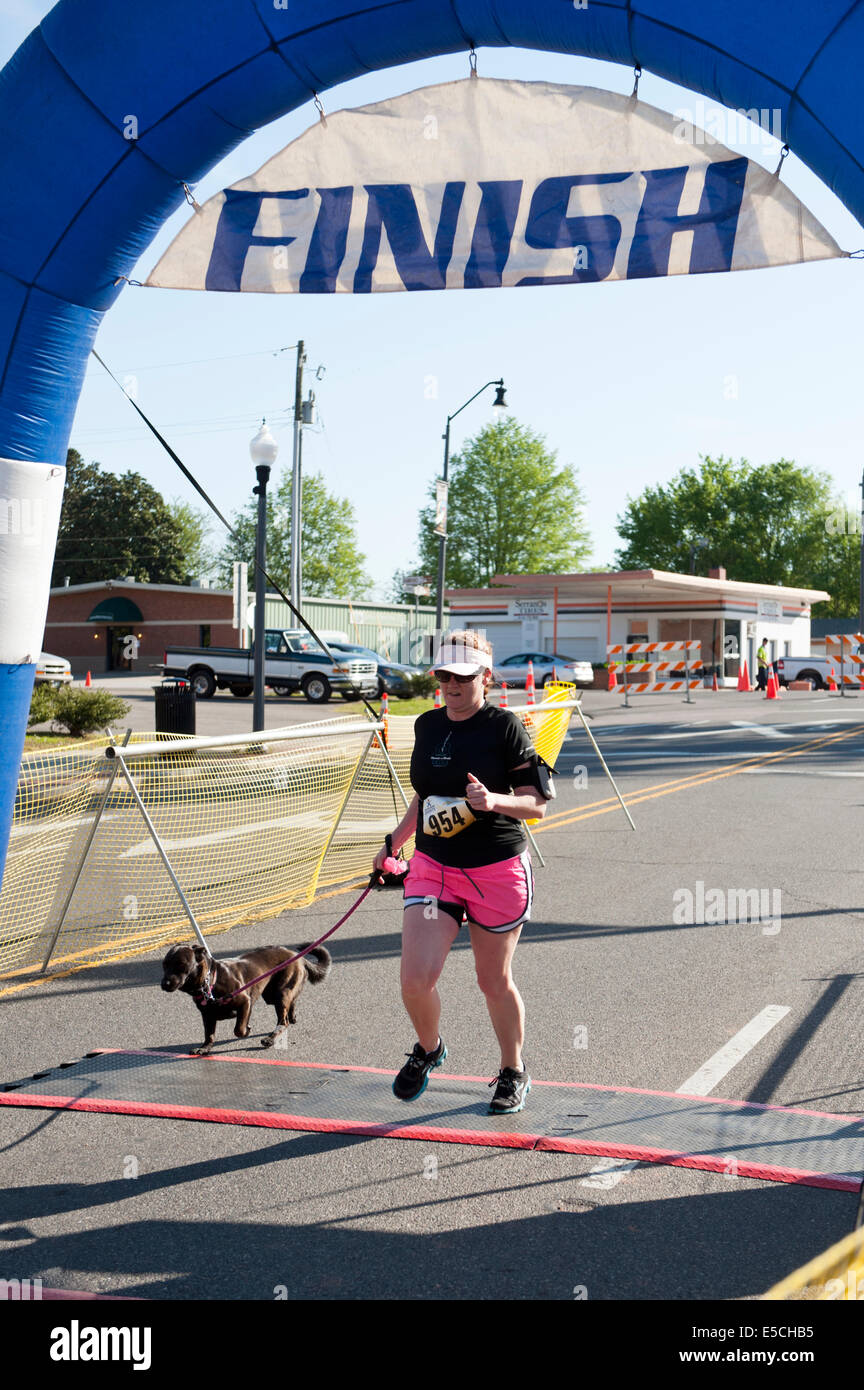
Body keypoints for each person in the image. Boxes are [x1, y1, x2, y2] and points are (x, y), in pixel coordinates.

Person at [372, 629, 555, 1115]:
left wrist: (492, 800)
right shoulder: (428, 726)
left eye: (463, 677)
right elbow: (425, 797)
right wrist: (395, 841)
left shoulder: (505, 728)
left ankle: (513, 1069)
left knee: (492, 980)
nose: (452, 685)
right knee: (415, 980)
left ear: (486, 677)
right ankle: (429, 1050)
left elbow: (537, 807)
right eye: (445, 675)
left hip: (496, 870)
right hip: (435, 867)